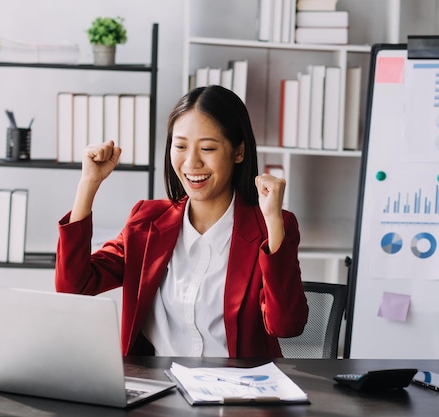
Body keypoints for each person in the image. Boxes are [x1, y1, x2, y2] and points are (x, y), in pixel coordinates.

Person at [55, 85, 308, 358]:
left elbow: (287, 325)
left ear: (238, 152)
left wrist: (272, 222)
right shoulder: (146, 221)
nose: (191, 162)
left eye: (208, 148)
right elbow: (74, 286)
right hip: (157, 389)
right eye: (181, 146)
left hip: (237, 392)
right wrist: (88, 184)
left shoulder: (271, 226)